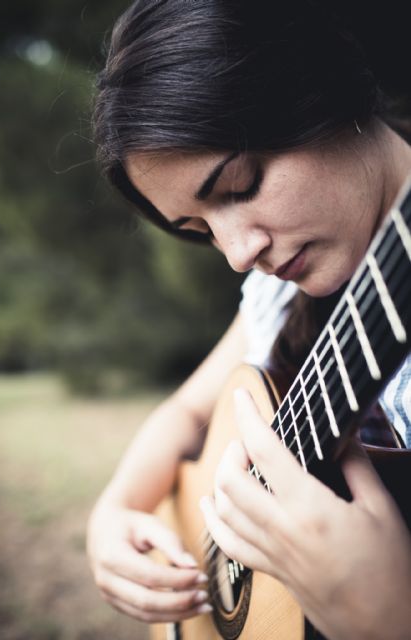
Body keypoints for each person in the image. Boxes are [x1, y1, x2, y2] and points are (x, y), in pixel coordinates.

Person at [86, 1, 411, 638]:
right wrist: (116, 508)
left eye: (241, 185)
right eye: (200, 229)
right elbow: (187, 413)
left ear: (330, 89)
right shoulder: (278, 297)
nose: (239, 255)